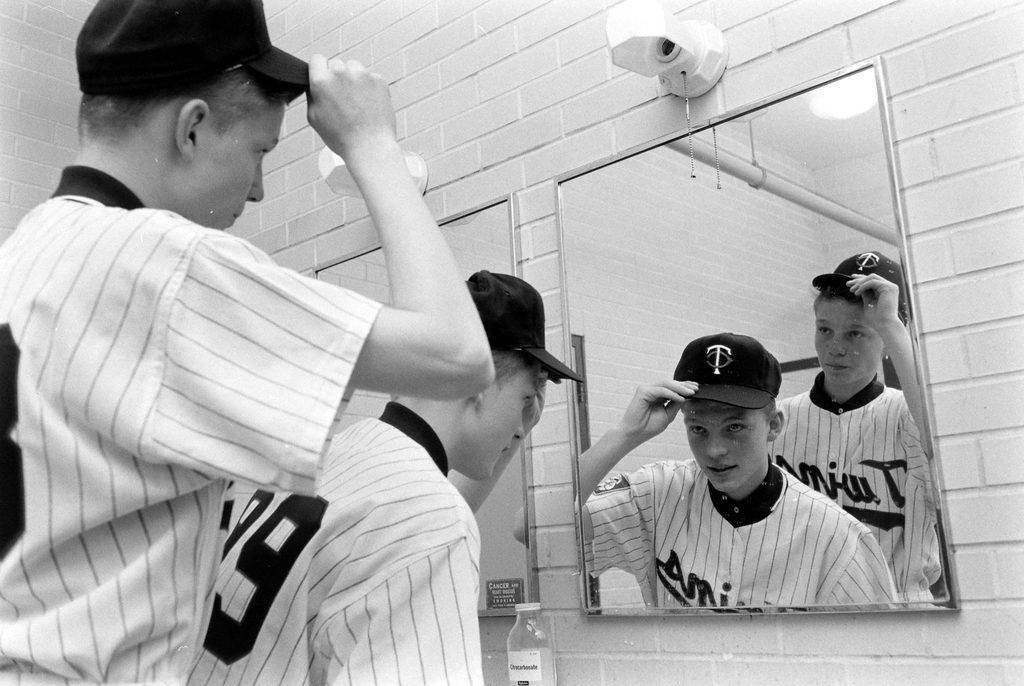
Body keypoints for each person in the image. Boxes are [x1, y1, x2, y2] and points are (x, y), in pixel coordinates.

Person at [0, 1, 495, 682]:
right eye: (260, 152)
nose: (259, 190)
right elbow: (459, 355)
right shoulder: (156, 261)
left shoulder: (27, 253)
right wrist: (374, 147)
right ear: (193, 129)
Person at [188, 271, 580, 685]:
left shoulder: (337, 455)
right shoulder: (430, 517)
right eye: (527, 396)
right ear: (478, 381)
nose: (527, 419)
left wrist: (517, 426)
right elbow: (431, 521)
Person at [579, 332, 897, 609]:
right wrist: (624, 434)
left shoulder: (838, 539)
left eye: (734, 426)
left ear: (774, 424)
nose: (714, 450)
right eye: (698, 428)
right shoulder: (657, 493)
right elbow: (535, 528)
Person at [769, 250, 941, 602]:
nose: (835, 348)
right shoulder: (776, 421)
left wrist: (891, 324)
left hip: (900, 618)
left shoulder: (909, 415)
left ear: (889, 340)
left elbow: (945, 445)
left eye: (856, 334)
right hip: (800, 619)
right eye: (825, 330)